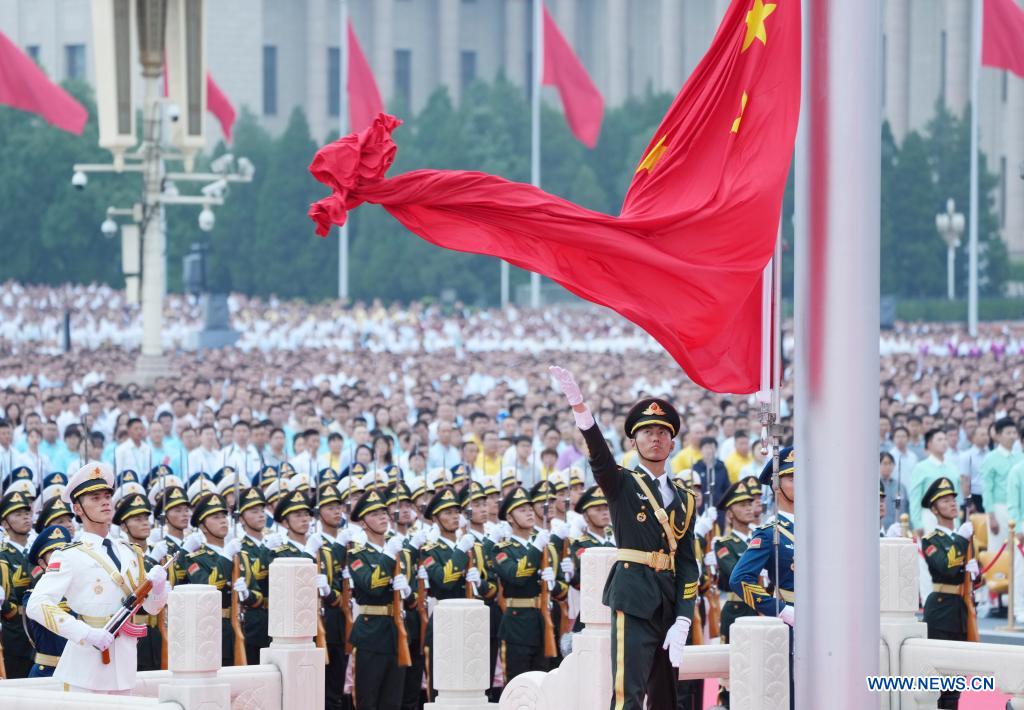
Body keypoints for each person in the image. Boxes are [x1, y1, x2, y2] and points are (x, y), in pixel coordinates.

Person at [550, 366, 699, 710]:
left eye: (662, 432)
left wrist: (683, 617)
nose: (655, 438)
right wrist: (581, 410)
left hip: (668, 603)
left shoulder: (686, 498)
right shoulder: (623, 484)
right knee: (627, 694)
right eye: (647, 432)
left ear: (672, 443)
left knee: (666, 698)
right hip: (633, 600)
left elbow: (689, 563)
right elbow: (600, 459)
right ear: (634, 441)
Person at [25, 463, 169, 693]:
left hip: (125, 664)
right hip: (86, 667)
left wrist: (159, 588)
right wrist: (85, 633)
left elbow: (151, 608)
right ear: (78, 508)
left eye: (107, 496)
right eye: (94, 498)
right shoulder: (69, 555)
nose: (104, 502)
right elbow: (36, 605)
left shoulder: (130, 552)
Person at [730, 448, 796, 706]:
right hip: (794, 623)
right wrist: (780, 609)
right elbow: (740, 579)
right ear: (777, 485)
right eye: (792, 477)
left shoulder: (823, 527)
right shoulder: (770, 534)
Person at [347, 488, 411, 710]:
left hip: (397, 631)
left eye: (384, 512)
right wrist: (387, 557)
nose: (382, 517)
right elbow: (371, 585)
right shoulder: (357, 554)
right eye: (375, 514)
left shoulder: (399, 551)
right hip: (370, 633)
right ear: (363, 523)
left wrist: (408, 592)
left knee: (393, 701)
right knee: (368, 699)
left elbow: (411, 601)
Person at [919, 477, 980, 709]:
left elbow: (971, 574)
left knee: (955, 684)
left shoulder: (963, 535)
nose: (952, 503)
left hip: (960, 611)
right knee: (940, 683)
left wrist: (976, 574)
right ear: (934, 508)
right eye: (945, 500)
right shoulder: (931, 539)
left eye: (953, 499)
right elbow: (946, 566)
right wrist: (962, 540)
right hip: (941, 612)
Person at [20, 524, 73, 677]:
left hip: (81, 671)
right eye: (55, 553)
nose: (62, 557)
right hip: (49, 672)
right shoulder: (32, 596)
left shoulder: (84, 592)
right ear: (42, 563)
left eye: (65, 551)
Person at [0, 489, 33, 678]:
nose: (25, 518)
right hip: (15, 632)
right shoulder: (2, 555)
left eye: (27, 513)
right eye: (18, 515)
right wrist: (11, 610)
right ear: (5, 523)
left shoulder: (38, 552)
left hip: (40, 631)